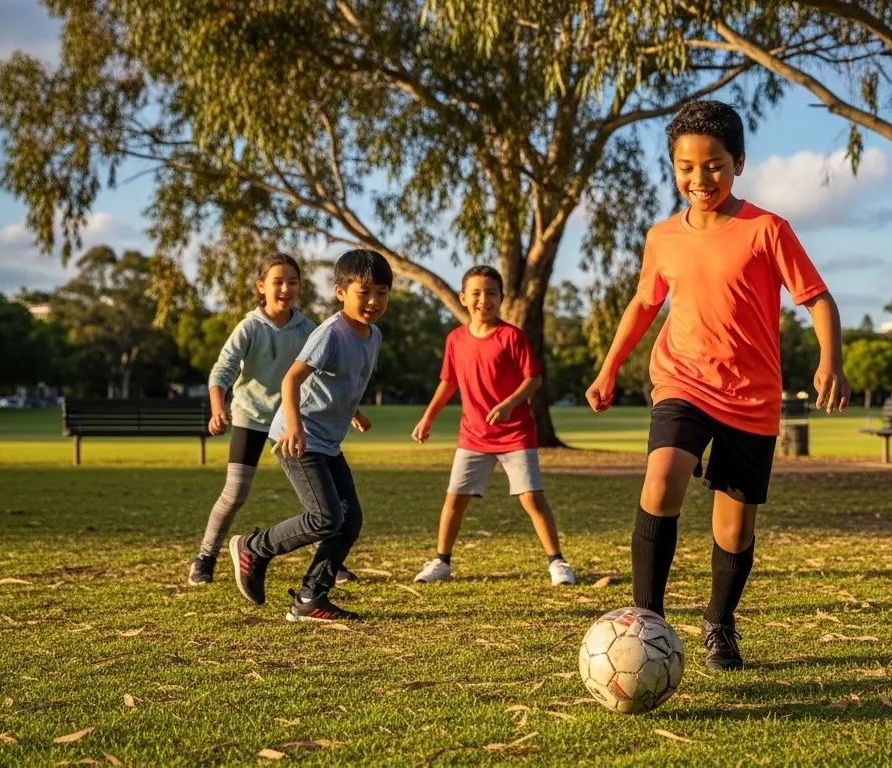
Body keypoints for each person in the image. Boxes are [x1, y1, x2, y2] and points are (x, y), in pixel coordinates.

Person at [585, 100, 849, 671]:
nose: (699, 178)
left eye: (714, 166)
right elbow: (642, 303)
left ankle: (719, 623)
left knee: (733, 524)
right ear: (674, 166)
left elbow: (817, 298)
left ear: (739, 164)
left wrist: (831, 359)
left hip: (750, 397)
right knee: (663, 477)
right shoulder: (663, 236)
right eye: (686, 166)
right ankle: (645, 622)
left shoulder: (768, 229)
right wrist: (609, 367)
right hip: (682, 379)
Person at [228, 249, 391, 622]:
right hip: (296, 437)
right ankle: (254, 547)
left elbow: (343, 384)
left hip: (327, 441)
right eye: (363, 291)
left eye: (381, 292)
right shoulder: (330, 333)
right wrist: (296, 425)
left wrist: (356, 413)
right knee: (324, 517)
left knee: (349, 521)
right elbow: (292, 379)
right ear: (340, 292)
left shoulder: (373, 335)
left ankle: (309, 598)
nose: (373, 301)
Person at [410, 265, 577, 586]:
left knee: (531, 498)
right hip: (473, 436)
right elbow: (448, 383)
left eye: (491, 293)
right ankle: (441, 562)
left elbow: (534, 378)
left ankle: (557, 562)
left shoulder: (512, 337)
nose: (483, 299)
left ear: (501, 298)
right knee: (454, 500)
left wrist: (509, 403)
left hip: (515, 435)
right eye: (476, 293)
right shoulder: (455, 340)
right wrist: (427, 417)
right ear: (463, 298)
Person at [188, 254, 315, 586]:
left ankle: (327, 558)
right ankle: (205, 558)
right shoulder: (250, 327)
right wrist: (218, 409)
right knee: (235, 494)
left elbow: (324, 372)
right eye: (277, 281)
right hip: (250, 417)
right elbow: (221, 372)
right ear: (262, 287)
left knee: (314, 496)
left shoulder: (307, 328)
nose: (285, 288)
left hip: (289, 422)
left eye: (292, 281)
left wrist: (354, 411)